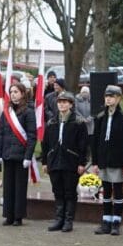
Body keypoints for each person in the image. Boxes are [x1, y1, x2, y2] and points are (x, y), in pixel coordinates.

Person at [41, 91, 89, 233]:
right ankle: (58, 219)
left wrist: (81, 163)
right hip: (55, 161)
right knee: (58, 191)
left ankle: (68, 220)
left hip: (71, 162)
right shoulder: (52, 122)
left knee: (69, 192)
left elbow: (83, 145)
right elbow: (45, 144)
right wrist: (45, 161)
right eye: (59, 102)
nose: (62, 104)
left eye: (65, 102)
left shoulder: (78, 123)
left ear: (71, 104)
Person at [90, 84, 123, 235]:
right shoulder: (101, 117)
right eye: (107, 97)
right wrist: (95, 162)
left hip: (118, 160)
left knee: (118, 191)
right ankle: (106, 220)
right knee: (106, 190)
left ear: (119, 98)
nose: (108, 99)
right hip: (103, 160)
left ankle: (116, 221)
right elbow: (95, 141)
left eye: (112, 97)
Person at [0, 82, 37, 226]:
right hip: (7, 154)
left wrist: (28, 156)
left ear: (23, 93)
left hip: (21, 155)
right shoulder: (7, 112)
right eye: (11, 92)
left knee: (19, 187)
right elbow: (0, 134)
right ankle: (8, 215)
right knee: (8, 186)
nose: (13, 94)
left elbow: (32, 135)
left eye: (16, 91)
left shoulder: (29, 112)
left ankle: (18, 216)